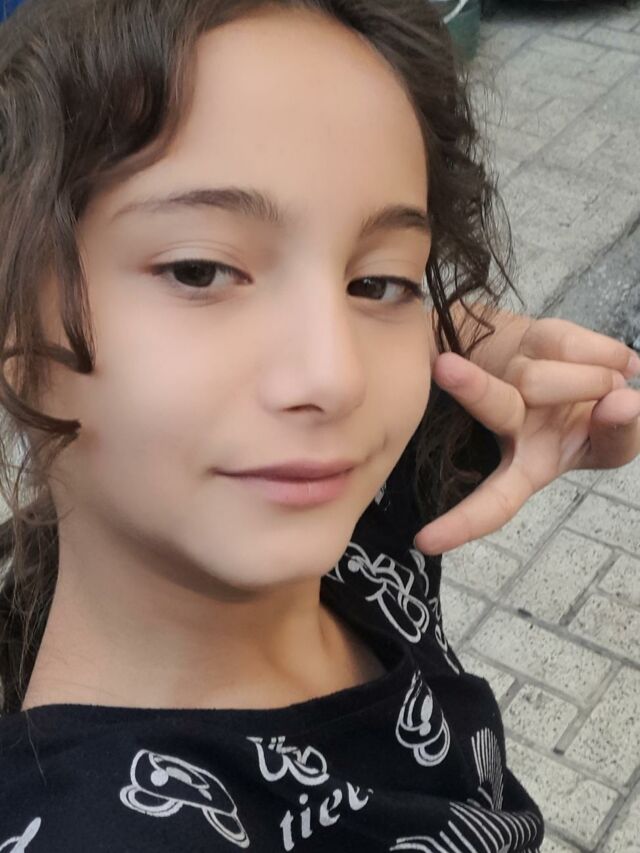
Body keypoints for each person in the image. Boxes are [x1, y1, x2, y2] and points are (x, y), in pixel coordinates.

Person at [0, 0, 638, 850]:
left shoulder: (356, 512)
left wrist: (513, 351)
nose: (335, 378)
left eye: (378, 282)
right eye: (201, 269)